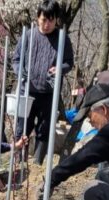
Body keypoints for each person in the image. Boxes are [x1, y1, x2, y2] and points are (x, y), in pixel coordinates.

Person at [12, 0, 74, 165]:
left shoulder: (62, 38)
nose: (47, 25)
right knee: (22, 128)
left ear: (56, 20)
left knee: (44, 129)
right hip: (27, 91)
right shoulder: (28, 36)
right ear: (37, 18)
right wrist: (20, 71)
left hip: (49, 93)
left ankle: (37, 163)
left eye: (51, 21)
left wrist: (60, 68)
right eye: (43, 20)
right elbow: (16, 60)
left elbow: (69, 62)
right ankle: (19, 163)